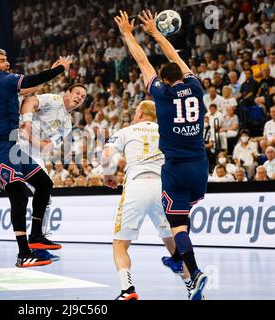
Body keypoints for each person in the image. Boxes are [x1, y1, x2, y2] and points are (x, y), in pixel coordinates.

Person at [115, 10, 208, 300]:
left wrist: (129, 34)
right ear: (182, 76)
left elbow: (143, 61)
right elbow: (176, 61)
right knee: (181, 221)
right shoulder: (195, 87)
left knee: (177, 224)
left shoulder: (161, 95)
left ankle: (194, 271)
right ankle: (189, 276)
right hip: (201, 166)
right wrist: (158, 34)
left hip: (175, 169)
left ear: (164, 82)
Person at [0, 80, 87, 259]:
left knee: (46, 193)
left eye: (82, 97)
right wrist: (27, 125)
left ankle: (38, 242)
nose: (79, 98)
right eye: (77, 94)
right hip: (16, 140)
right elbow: (29, 102)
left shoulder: (67, 124)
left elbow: (46, 147)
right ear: (67, 93)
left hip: (34, 151)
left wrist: (30, 138)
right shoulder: (54, 99)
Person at [0, 47, 70, 268]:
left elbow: (26, 89)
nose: (7, 61)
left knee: (44, 183)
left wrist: (50, 73)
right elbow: (32, 80)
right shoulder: (4, 79)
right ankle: (23, 253)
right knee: (18, 192)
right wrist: (60, 69)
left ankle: (36, 235)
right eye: (2, 59)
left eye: (7, 58)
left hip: (10, 146)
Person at [102, 101, 191, 300]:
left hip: (136, 185)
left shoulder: (126, 131)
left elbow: (106, 154)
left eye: (135, 111)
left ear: (140, 112)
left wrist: (108, 175)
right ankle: (191, 286)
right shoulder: (168, 130)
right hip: (163, 186)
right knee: (172, 241)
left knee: (120, 243)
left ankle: (127, 289)